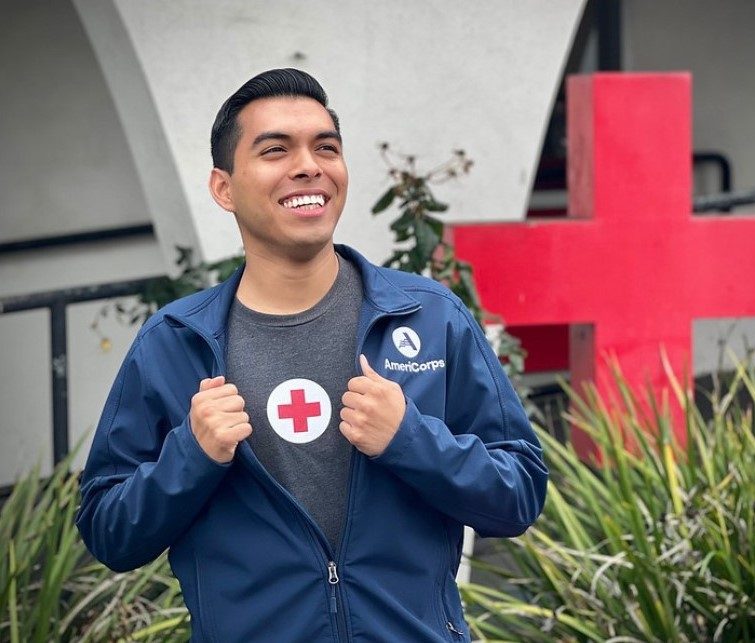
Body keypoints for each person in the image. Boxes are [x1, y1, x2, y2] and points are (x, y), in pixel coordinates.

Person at [76, 68, 547, 642]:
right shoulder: (176, 343)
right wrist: (191, 456)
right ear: (223, 188)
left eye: (326, 147)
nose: (309, 165)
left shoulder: (427, 317)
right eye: (275, 150)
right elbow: (108, 532)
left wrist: (411, 440)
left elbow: (518, 494)